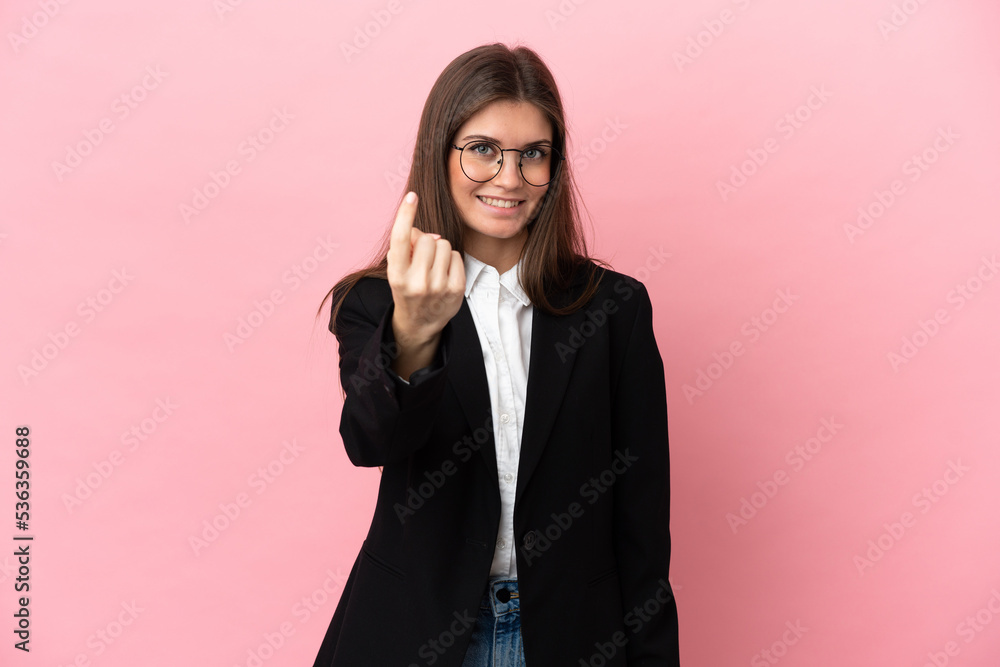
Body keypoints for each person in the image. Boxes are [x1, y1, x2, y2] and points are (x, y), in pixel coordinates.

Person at [312, 42, 679, 667]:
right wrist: (414, 330)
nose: (509, 179)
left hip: (570, 636)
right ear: (440, 153)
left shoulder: (614, 309)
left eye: (533, 153)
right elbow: (370, 443)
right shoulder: (377, 301)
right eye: (483, 149)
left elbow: (642, 517)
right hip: (416, 633)